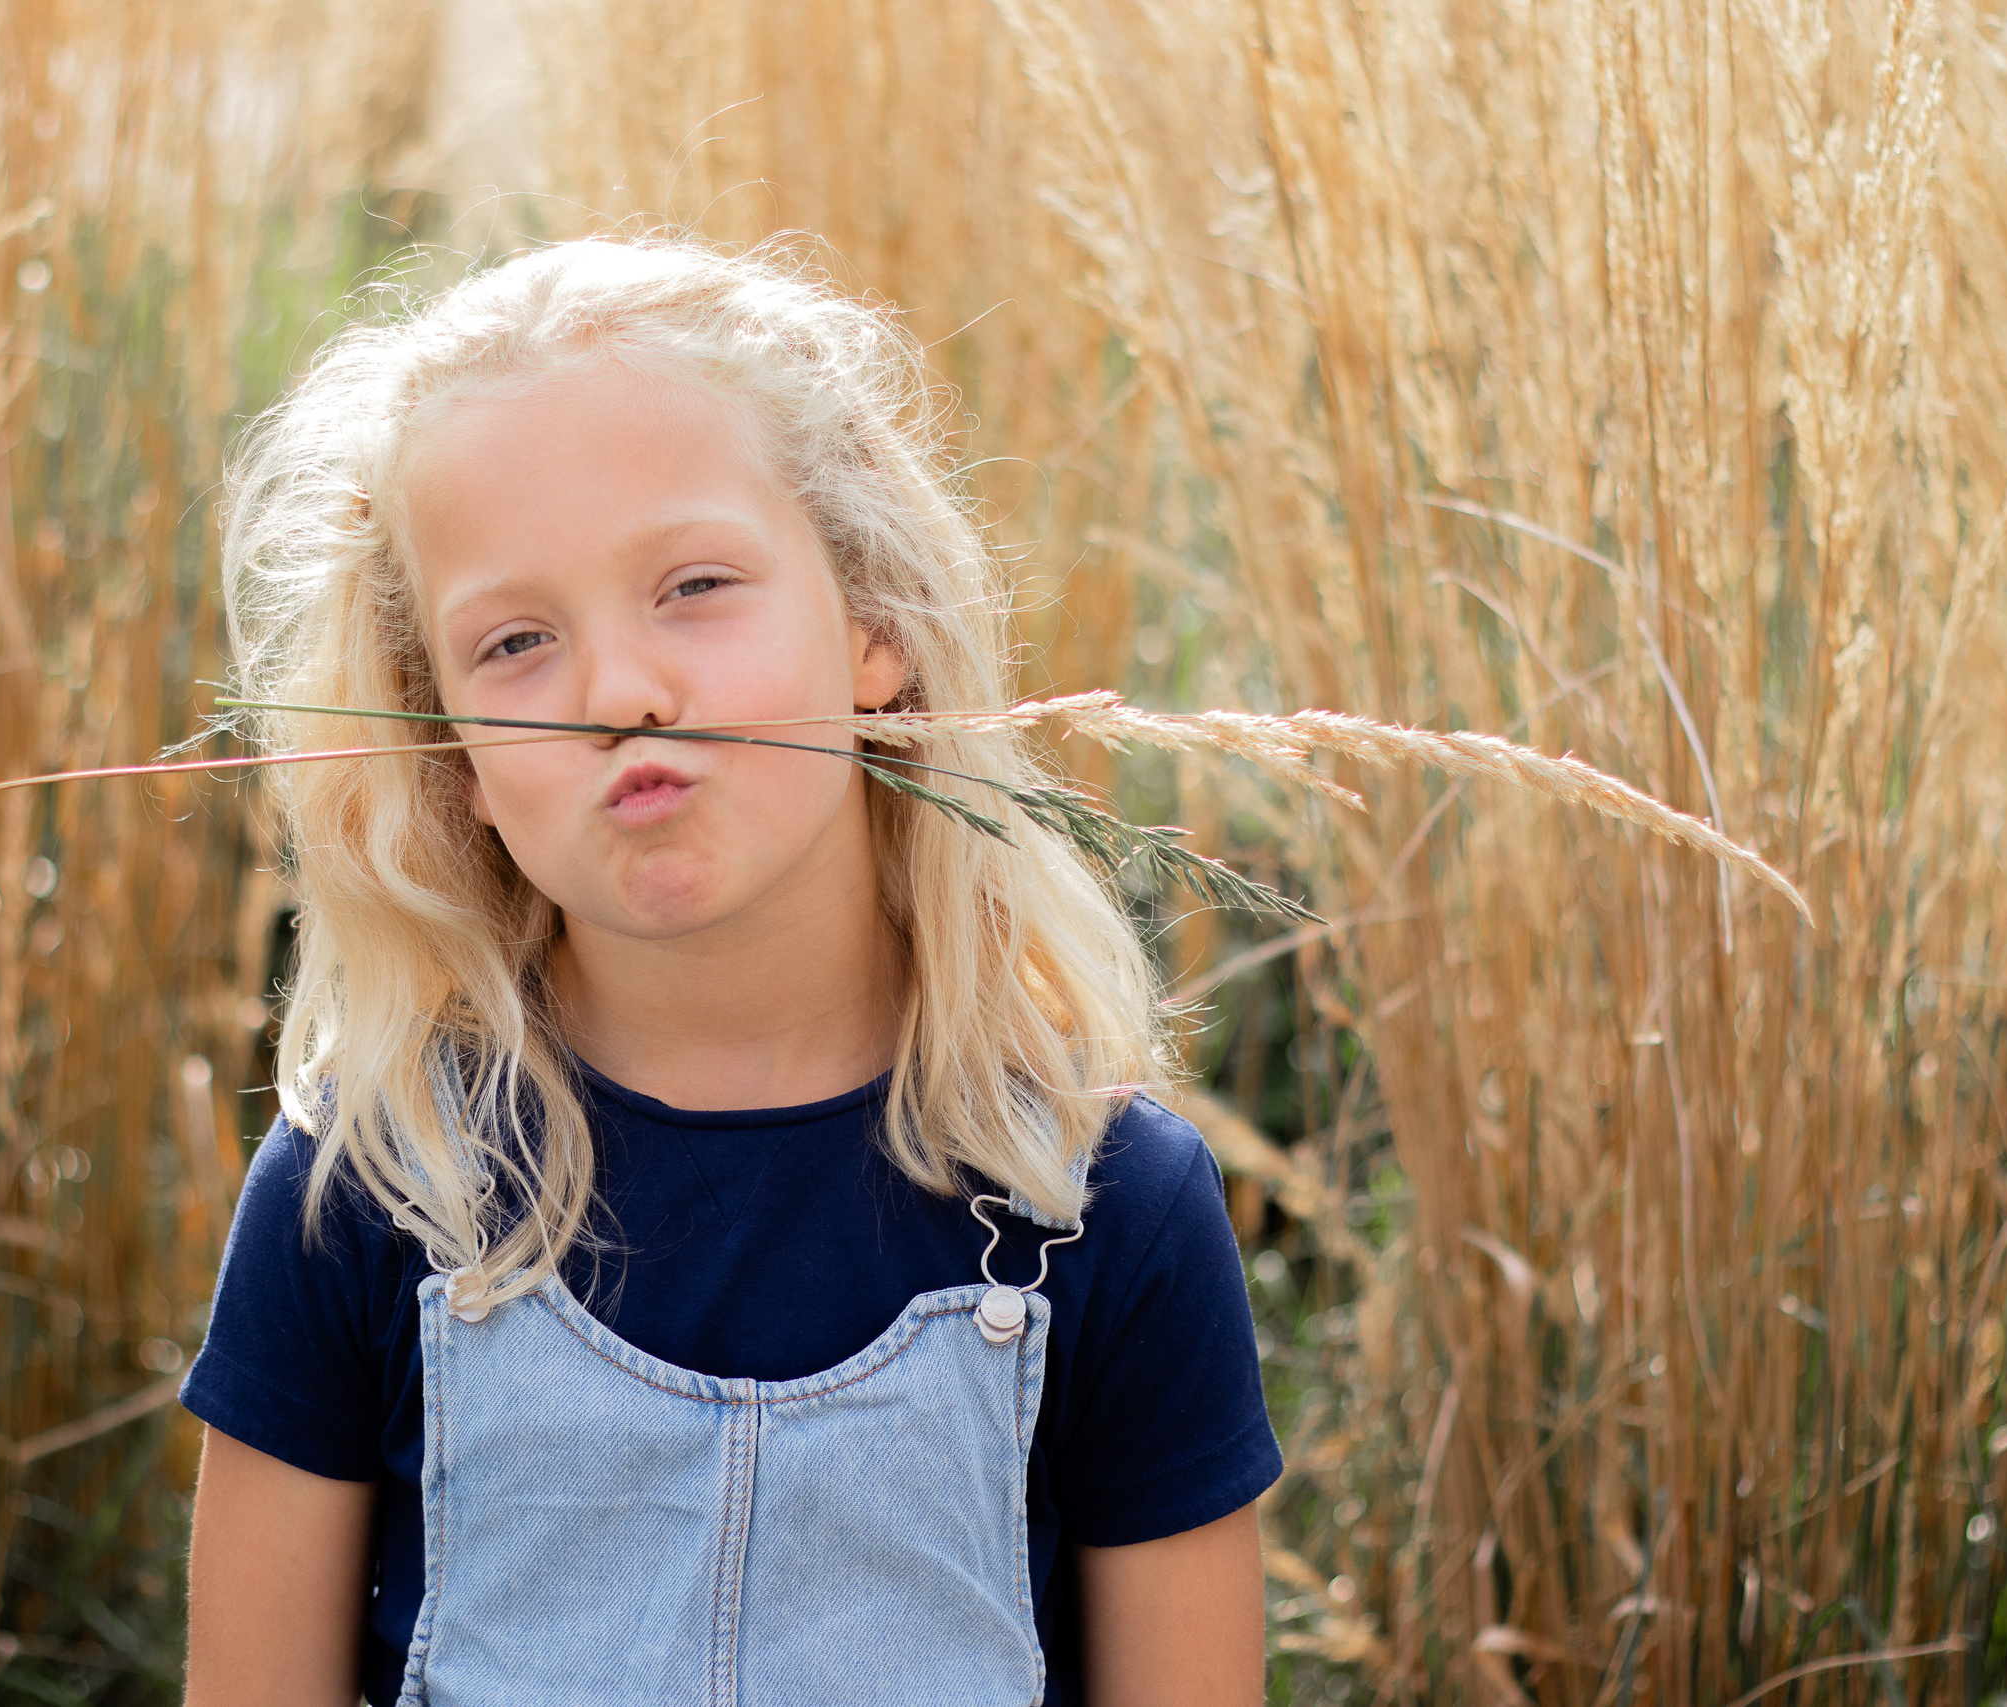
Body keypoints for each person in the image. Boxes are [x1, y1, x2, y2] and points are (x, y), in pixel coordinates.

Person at [180, 236, 1280, 1707]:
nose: (619, 689)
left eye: (695, 584)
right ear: (445, 747)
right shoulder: (376, 1187)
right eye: (514, 641)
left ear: (874, 628)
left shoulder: (1103, 1211)